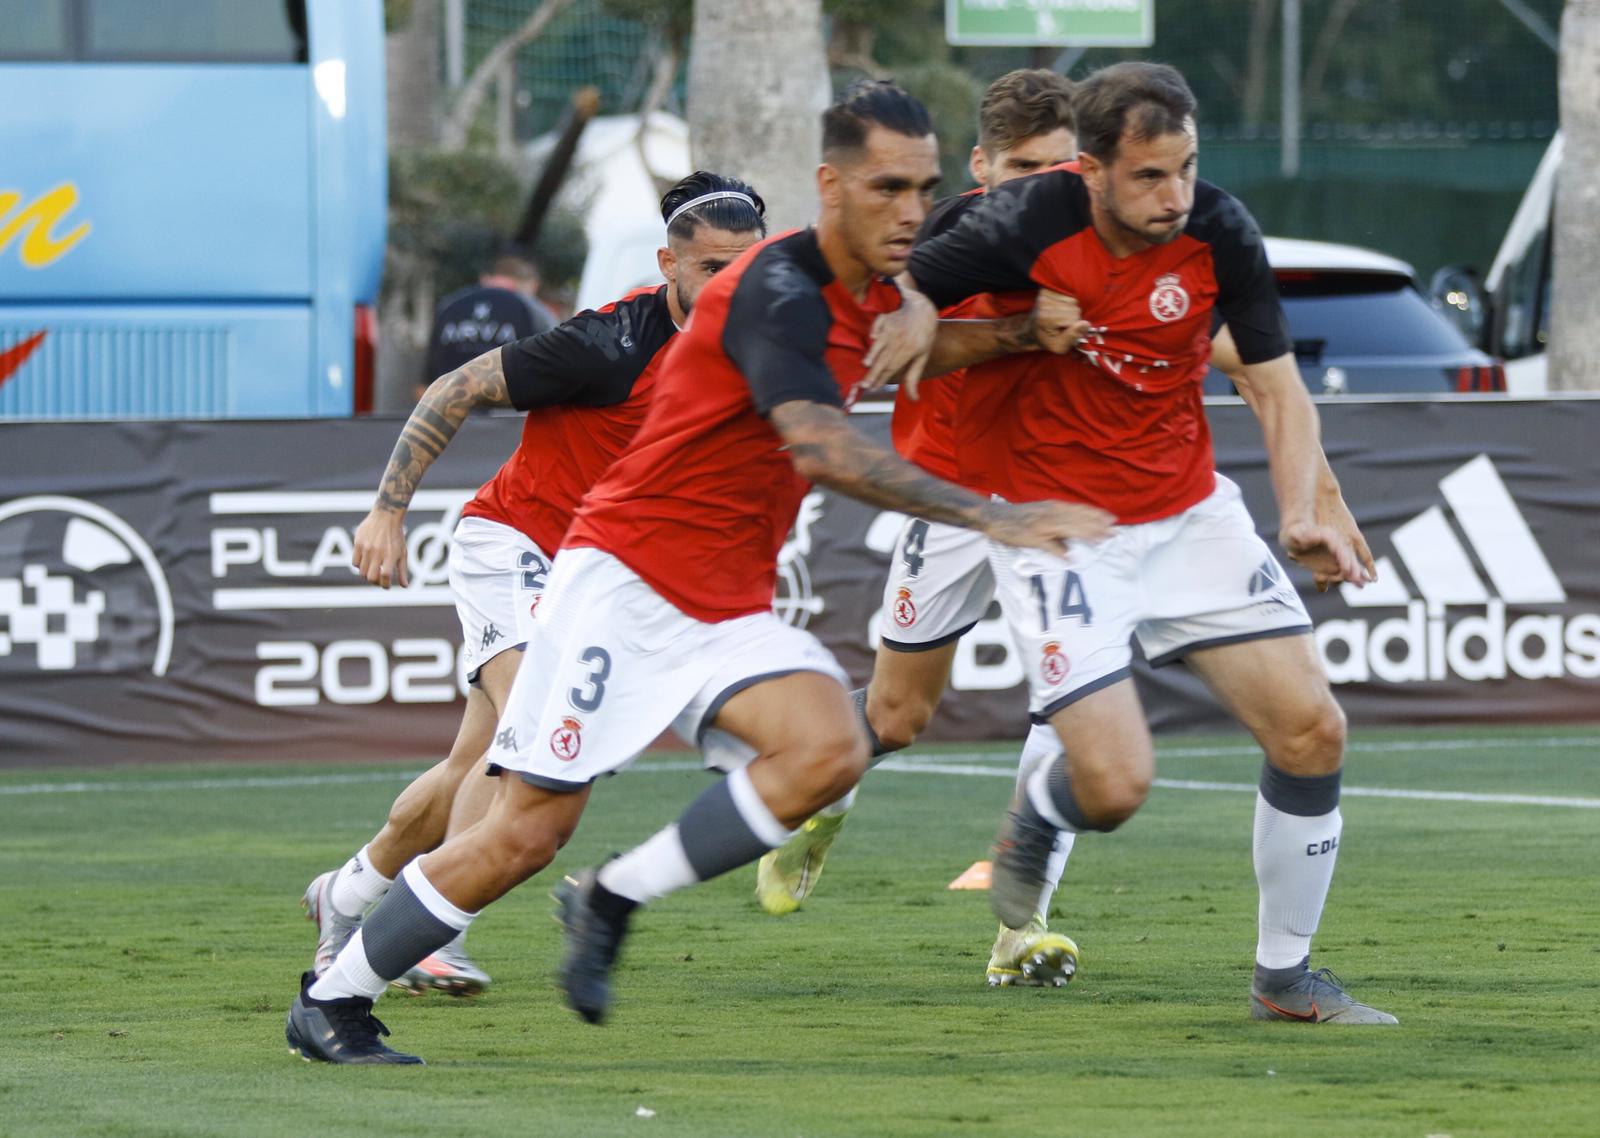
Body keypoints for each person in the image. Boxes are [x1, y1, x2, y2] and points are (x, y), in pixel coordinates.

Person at [284, 81, 1114, 1064]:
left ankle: (611, 895)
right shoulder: (767, 290)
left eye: (922, 188)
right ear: (830, 186)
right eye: (888, 186)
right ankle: (334, 994)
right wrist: (993, 516)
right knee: (519, 830)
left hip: (716, 603)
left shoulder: (867, 286)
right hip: (617, 586)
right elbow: (823, 446)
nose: (910, 210)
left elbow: (898, 354)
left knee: (827, 751)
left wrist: (1017, 328)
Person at [903, 61, 1393, 1025]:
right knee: (1116, 788)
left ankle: (1284, 979)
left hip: (1186, 509)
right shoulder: (1016, 225)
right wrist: (1002, 327)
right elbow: (895, 310)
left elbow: (1277, 383)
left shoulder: (1219, 227)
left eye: (1188, 169)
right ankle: (1044, 808)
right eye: (1149, 178)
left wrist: (1302, 507)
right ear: (1088, 171)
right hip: (1058, 527)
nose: (1177, 198)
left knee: (1313, 730)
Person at [298, 172, 770, 1000]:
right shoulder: (608, 342)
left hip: (597, 575)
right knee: (533, 729)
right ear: (668, 264)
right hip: (511, 542)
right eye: (712, 269)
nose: (731, 284)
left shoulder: (761, 338)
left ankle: (346, 896)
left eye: (748, 265)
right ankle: (425, 930)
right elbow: (456, 387)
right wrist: (386, 513)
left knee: (471, 764)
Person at [753, 70, 1088, 989]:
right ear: (980, 165)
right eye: (1022, 166)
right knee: (897, 717)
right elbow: (896, 352)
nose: (1041, 185)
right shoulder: (931, 240)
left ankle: (1022, 927)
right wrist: (1025, 329)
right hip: (948, 500)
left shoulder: (1101, 232)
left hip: (1055, 502)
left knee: (1074, 693)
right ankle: (822, 811)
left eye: (1062, 166)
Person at [419, 249, 559, 399]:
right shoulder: (536, 311)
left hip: (448, 412)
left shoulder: (448, 306)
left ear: (484, 277)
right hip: (507, 419)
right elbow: (553, 376)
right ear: (533, 284)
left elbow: (423, 386)